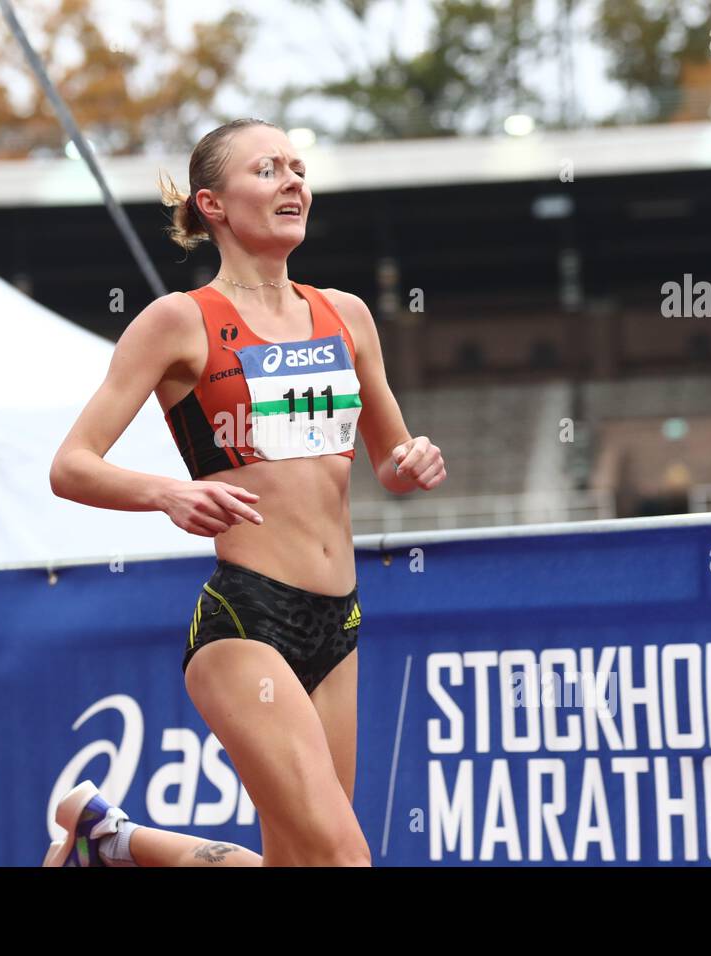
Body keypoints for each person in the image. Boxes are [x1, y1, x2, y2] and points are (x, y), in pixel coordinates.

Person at [44, 118, 446, 867]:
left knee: (300, 863)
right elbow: (71, 465)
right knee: (344, 860)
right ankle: (114, 840)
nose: (294, 181)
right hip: (246, 621)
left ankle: (113, 840)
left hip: (340, 620)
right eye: (269, 170)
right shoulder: (179, 322)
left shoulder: (345, 315)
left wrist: (411, 464)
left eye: (299, 167)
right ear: (215, 204)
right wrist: (168, 495)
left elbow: (388, 461)